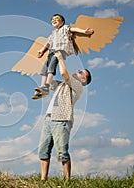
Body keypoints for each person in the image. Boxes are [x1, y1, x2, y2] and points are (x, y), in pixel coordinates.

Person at [38, 51, 92, 180]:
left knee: (62, 152)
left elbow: (64, 74)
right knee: (43, 150)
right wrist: (52, 62)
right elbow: (50, 81)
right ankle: (43, 179)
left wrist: (61, 59)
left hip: (61, 120)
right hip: (48, 119)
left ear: (83, 79)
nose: (78, 70)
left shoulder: (77, 86)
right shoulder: (62, 85)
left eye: (81, 72)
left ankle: (67, 180)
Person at [32, 13, 94, 100]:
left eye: (56, 18)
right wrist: (42, 50)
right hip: (51, 51)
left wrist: (84, 31)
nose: (54, 20)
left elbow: (74, 29)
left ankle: (46, 86)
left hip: (60, 51)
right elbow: (48, 43)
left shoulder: (65, 28)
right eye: (52, 19)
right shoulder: (53, 33)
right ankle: (41, 88)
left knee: (51, 68)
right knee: (44, 69)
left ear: (62, 22)